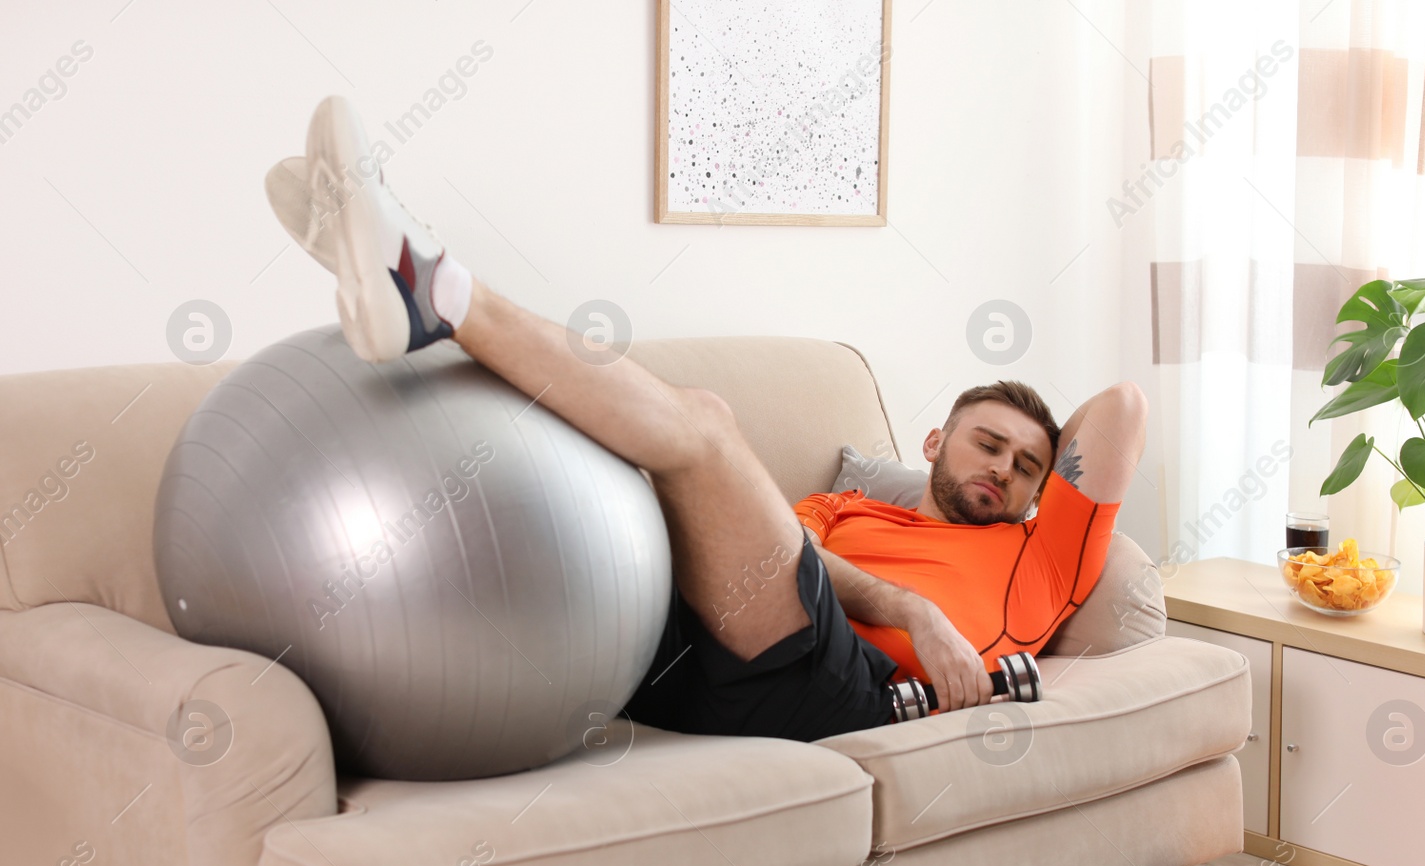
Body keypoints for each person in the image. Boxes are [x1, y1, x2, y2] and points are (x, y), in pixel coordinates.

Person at [268, 96, 1147, 744]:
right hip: (683, 651)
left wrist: (1027, 497)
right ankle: (408, 296)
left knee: (703, 426)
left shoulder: (1040, 556)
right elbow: (774, 561)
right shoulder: (851, 510)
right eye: (987, 442)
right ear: (931, 445)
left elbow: (1123, 410)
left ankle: (429, 295)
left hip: (834, 687)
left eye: (1029, 465)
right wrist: (914, 605)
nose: (1003, 468)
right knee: (703, 423)